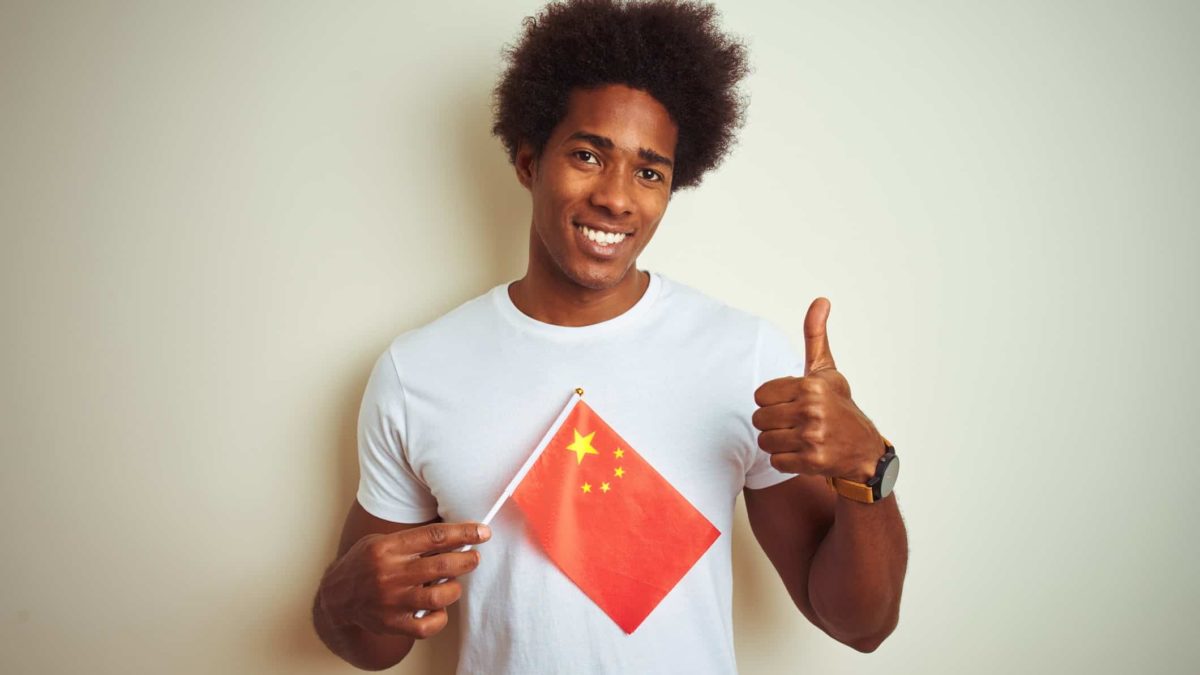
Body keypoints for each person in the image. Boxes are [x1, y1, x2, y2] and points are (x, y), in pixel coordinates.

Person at [312, 0, 908, 671]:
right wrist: (339, 599)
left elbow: (860, 625)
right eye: (589, 155)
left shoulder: (746, 359)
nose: (617, 198)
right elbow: (377, 643)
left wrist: (869, 470)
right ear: (529, 161)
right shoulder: (416, 372)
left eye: (649, 171)